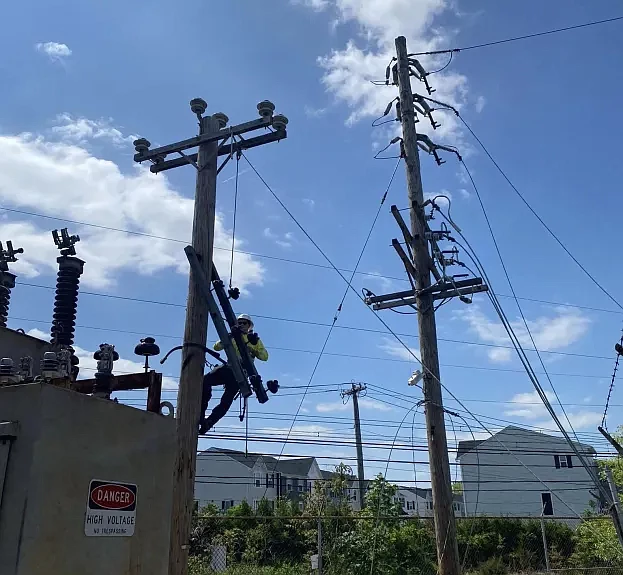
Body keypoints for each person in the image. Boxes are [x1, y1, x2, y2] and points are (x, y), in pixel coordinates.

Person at [199, 314, 268, 434]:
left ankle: (209, 422)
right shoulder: (232, 335)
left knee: (225, 402)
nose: (241, 325)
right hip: (228, 368)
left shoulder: (253, 339)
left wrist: (252, 349)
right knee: (204, 381)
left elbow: (264, 356)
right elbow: (217, 347)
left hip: (241, 374)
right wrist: (229, 337)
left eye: (244, 323)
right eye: (239, 322)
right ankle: (200, 414)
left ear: (249, 325)